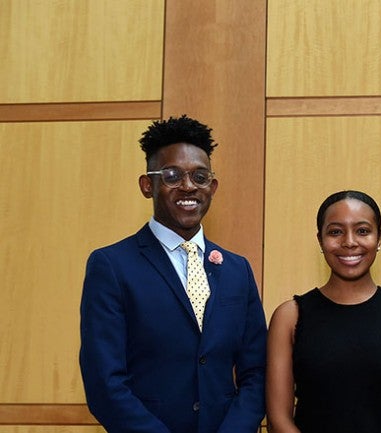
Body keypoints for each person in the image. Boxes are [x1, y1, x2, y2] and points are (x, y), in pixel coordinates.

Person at [79, 115, 267, 433]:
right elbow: (104, 382)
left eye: (200, 176)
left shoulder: (237, 270)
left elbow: (257, 372)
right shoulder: (110, 266)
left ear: (213, 186)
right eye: (171, 175)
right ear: (147, 185)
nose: (188, 186)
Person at [266, 190, 381, 433]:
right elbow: (278, 419)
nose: (349, 242)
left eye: (363, 231)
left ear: (379, 238)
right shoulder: (289, 316)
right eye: (335, 231)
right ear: (320, 239)